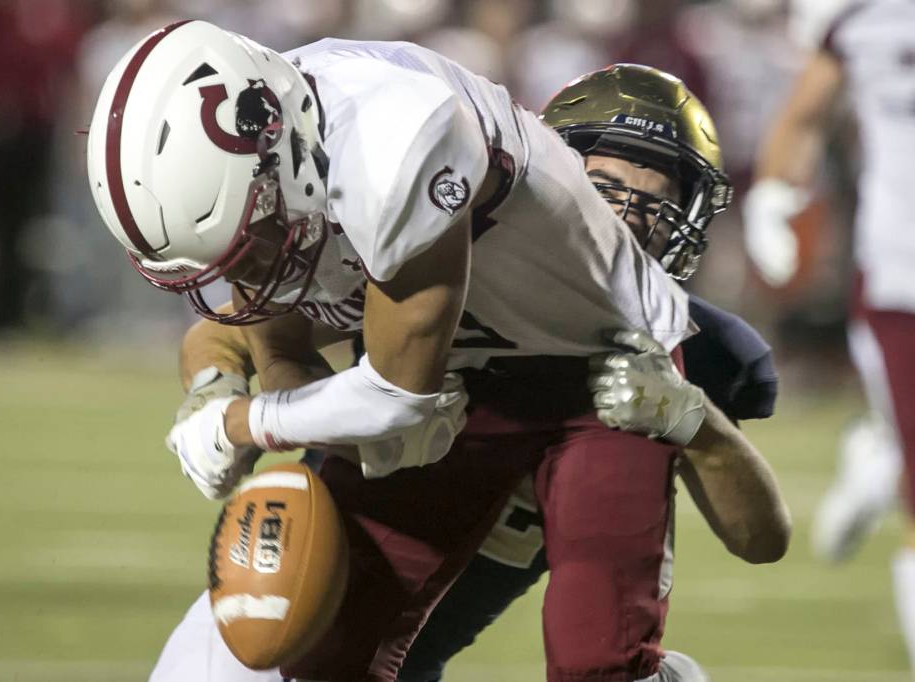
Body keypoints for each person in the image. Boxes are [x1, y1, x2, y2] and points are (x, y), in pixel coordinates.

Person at [87, 21, 747, 681]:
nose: (626, 216)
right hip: (432, 436)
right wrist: (226, 394)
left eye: (654, 201)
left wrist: (240, 423)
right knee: (304, 662)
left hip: (569, 395)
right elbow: (247, 333)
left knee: (595, 666)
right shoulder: (277, 137)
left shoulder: (397, 149)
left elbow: (398, 397)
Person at [741, 0, 915, 669]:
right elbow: (804, 115)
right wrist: (772, 197)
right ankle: (890, 451)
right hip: (904, 278)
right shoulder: (866, 18)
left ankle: (883, 451)